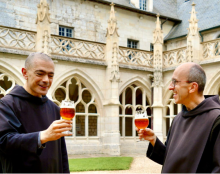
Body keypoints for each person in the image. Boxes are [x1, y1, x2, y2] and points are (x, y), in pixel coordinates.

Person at [137, 62, 220, 173]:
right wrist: (154, 140)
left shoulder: (216, 119)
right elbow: (170, 161)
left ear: (192, 87)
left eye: (175, 82)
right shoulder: (178, 119)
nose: (171, 87)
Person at [0, 52, 72, 174]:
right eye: (40, 74)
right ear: (25, 73)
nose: (46, 80)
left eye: (50, 75)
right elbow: (4, 141)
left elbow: (61, 153)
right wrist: (41, 136)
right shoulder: (7, 104)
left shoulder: (54, 108)